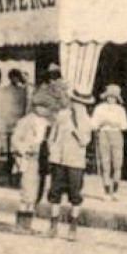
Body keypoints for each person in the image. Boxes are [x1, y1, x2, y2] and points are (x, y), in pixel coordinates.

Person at [44, 88, 94, 240]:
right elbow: (52, 136)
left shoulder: (86, 120)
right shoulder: (62, 115)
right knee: (55, 193)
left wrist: (75, 131)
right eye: (76, 103)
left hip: (75, 162)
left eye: (82, 104)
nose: (78, 106)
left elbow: (85, 141)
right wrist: (52, 150)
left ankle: (73, 228)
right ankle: (53, 227)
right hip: (59, 160)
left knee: (75, 195)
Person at [10, 100, 54, 232]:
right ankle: (20, 224)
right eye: (42, 105)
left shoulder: (48, 123)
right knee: (27, 192)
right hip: (30, 159)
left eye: (47, 106)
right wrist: (26, 149)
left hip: (42, 160)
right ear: (36, 106)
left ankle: (27, 224)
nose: (44, 109)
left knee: (37, 193)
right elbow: (15, 139)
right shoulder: (26, 121)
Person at [92, 84, 127, 200]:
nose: (111, 99)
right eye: (109, 96)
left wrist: (115, 123)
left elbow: (125, 126)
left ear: (117, 98)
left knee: (117, 163)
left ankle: (115, 191)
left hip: (116, 134)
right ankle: (106, 191)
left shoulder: (120, 110)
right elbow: (93, 124)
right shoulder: (99, 108)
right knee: (105, 163)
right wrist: (102, 123)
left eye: (113, 97)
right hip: (103, 134)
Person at [0, 69, 29, 183]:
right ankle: (9, 173)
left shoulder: (23, 91)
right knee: (9, 150)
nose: (16, 79)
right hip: (7, 123)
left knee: (18, 149)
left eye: (17, 77)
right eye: (14, 77)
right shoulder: (3, 91)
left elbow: (25, 108)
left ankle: (17, 173)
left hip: (19, 123)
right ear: (10, 78)